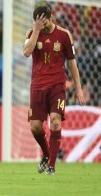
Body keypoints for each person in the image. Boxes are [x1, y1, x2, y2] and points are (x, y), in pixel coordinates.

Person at [22, 5, 84, 175]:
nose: (42, 24)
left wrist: (78, 88)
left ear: (50, 18)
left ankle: (51, 166)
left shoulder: (64, 35)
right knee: (35, 127)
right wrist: (36, 31)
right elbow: (26, 52)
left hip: (57, 84)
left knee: (55, 121)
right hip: (37, 86)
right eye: (37, 22)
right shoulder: (31, 33)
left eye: (43, 21)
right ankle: (47, 154)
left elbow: (72, 62)